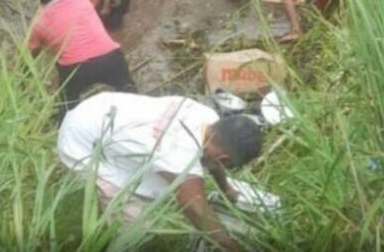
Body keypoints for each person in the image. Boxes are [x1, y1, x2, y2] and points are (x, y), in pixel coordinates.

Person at [58, 92, 264, 252]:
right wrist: (230, 246)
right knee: (137, 223)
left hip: (102, 108)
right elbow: (195, 209)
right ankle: (117, 240)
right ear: (224, 159)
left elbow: (212, 161)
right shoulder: (177, 155)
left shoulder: (206, 118)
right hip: (82, 143)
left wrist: (226, 188)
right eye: (227, 165)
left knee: (156, 182)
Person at [27, 0, 137, 114]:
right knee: (131, 95)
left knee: (68, 108)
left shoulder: (40, 23)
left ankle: (64, 122)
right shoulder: (82, 1)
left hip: (76, 69)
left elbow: (30, 55)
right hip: (111, 57)